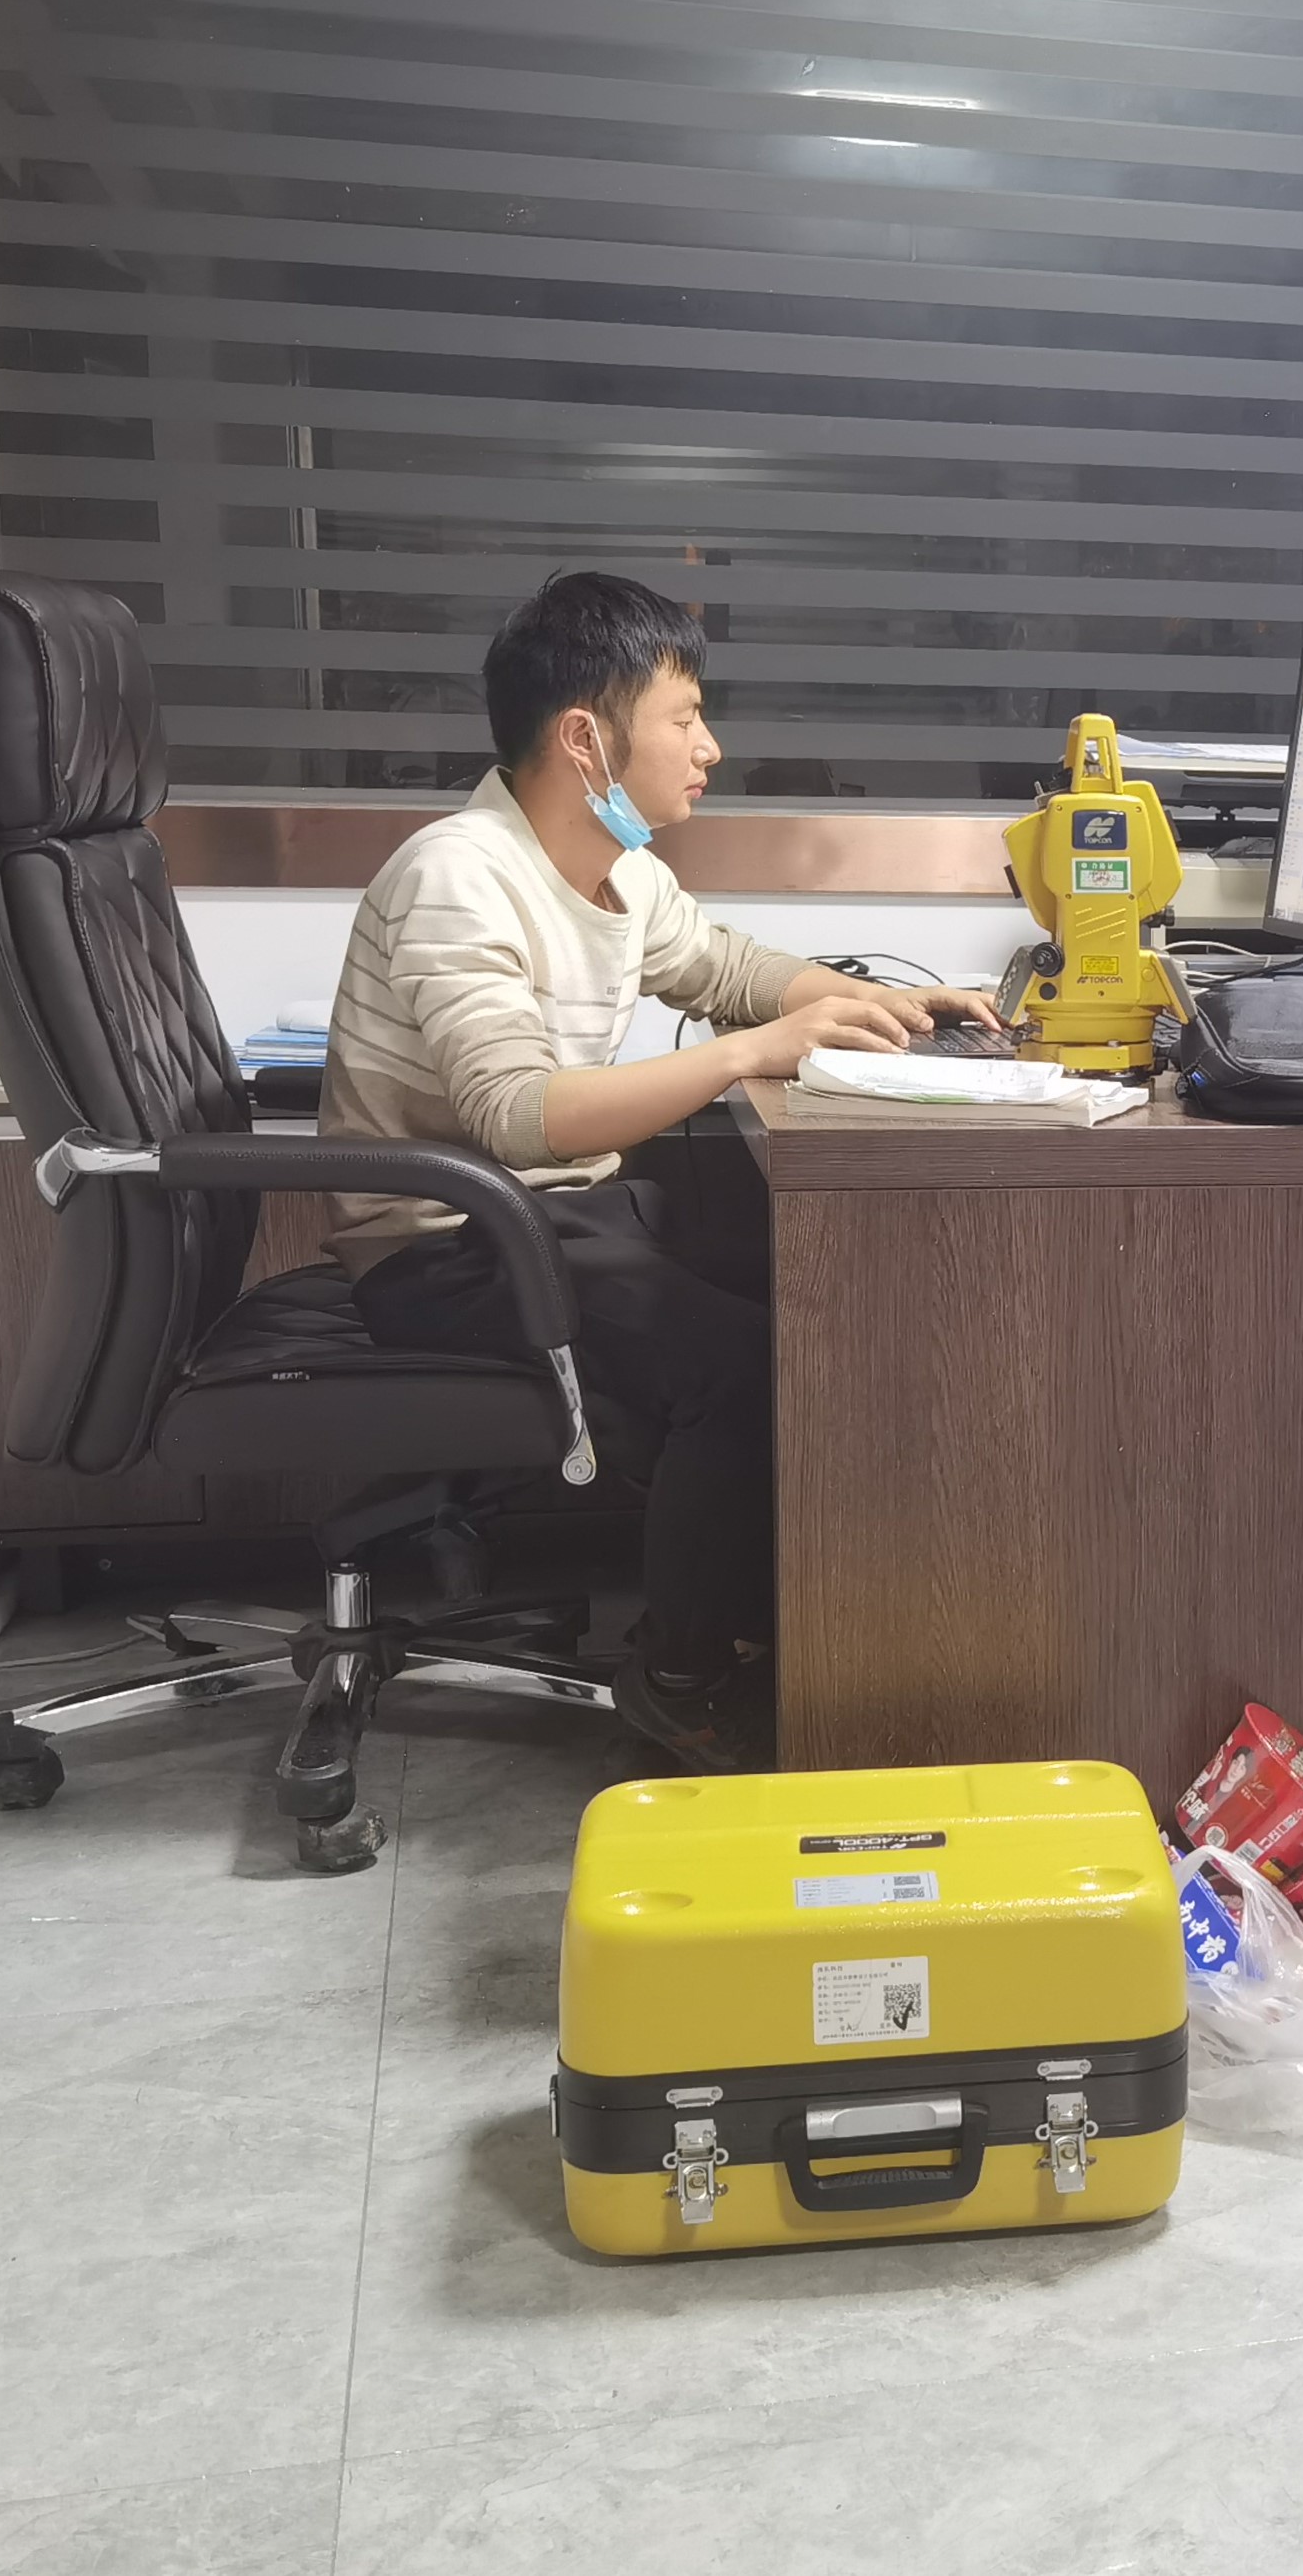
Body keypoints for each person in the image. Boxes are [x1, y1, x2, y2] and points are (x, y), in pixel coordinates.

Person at [317, 571, 996, 1764]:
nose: (710, 746)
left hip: (547, 1217)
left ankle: (809, 1617)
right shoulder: (458, 874)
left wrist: (886, 1002)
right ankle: (679, 1672)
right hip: (450, 1246)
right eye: (685, 716)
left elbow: (726, 967)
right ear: (587, 738)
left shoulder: (617, 870)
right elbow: (520, 1116)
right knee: (740, 1365)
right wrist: (755, 1050)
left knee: (820, 1298)